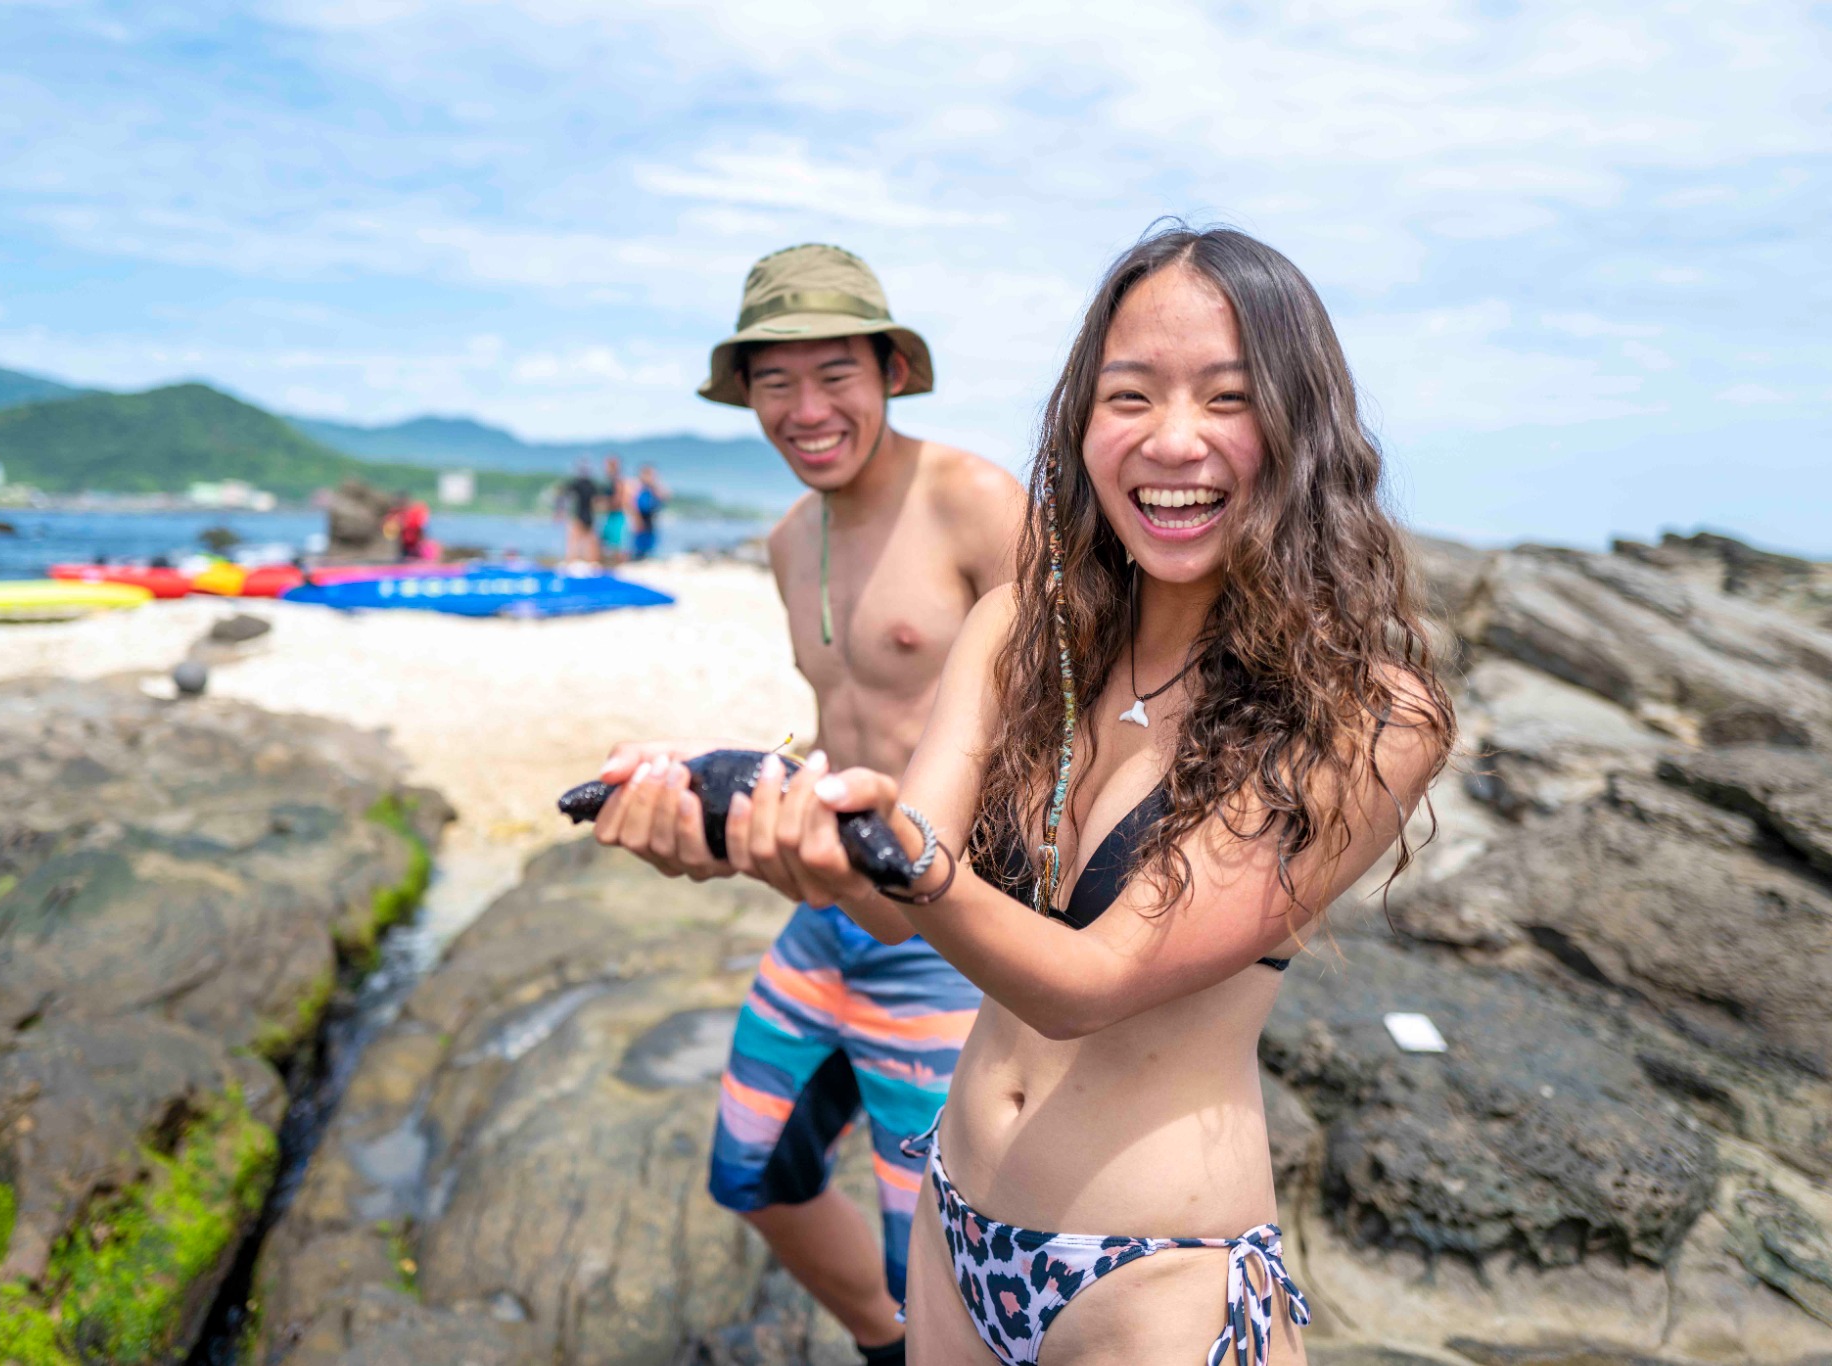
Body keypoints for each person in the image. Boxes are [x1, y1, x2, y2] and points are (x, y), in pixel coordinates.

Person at [611, 226, 1457, 1364]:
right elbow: (905, 882)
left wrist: (892, 861)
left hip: (1152, 1280)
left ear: (1300, 427)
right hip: (952, 1231)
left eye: (1227, 398)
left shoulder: (1365, 715)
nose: (1171, 440)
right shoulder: (1021, 630)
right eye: (1129, 396)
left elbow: (1090, 981)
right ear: (1080, 420)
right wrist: (752, 828)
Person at [592, 243, 1026, 1364]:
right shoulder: (790, 538)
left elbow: (1076, 712)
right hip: (827, 909)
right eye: (772, 382)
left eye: (833, 372)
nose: (804, 408)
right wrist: (720, 790)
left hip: (950, 928)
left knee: (939, 1254)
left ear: (889, 368)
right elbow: (843, 722)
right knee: (755, 1174)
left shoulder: (973, 501)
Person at [563, 459, 600, 565]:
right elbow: (597, 501)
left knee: (574, 541)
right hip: (589, 515)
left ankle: (571, 562)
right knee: (590, 542)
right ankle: (592, 562)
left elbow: (566, 495)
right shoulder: (592, 485)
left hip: (579, 514)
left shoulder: (577, 484)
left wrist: (561, 511)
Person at [631, 464, 668, 560]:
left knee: (650, 548)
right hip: (641, 521)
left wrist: (655, 485)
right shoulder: (637, 488)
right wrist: (636, 520)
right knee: (638, 548)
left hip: (650, 521)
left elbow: (665, 497)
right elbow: (633, 506)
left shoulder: (653, 490)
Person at [599, 455, 630, 564]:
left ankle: (619, 566)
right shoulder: (610, 481)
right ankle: (611, 565)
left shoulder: (618, 481)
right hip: (611, 515)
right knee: (606, 543)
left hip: (617, 515)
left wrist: (603, 504)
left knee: (617, 545)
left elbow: (619, 501)